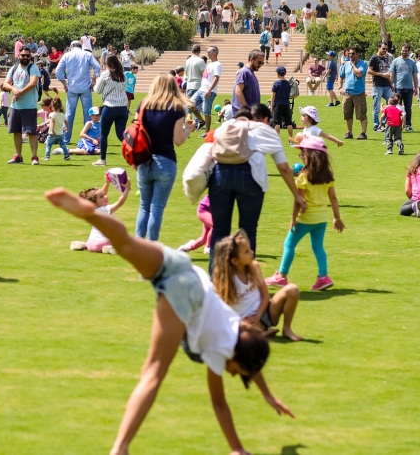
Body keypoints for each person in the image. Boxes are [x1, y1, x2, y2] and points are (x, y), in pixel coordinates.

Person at [44, 186, 292, 455]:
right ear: (237, 360)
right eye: (237, 372)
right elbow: (220, 403)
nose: (231, 374)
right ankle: (119, 448)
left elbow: (252, 354)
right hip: (185, 292)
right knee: (153, 374)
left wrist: (268, 395)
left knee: (125, 243)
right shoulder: (221, 351)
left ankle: (89, 214)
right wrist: (237, 449)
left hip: (182, 265)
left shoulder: (238, 328)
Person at [207, 104, 306, 266]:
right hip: (250, 178)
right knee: (247, 230)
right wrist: (296, 195)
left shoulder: (228, 125)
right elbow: (283, 168)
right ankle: (246, 282)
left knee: (219, 230)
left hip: (220, 175)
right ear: (266, 119)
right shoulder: (265, 130)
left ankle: (216, 280)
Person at [265, 136, 345, 291]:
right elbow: (333, 197)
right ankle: (323, 277)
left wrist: (293, 219)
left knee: (289, 244)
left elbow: (298, 200)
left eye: (302, 154)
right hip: (321, 219)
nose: (301, 157)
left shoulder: (304, 176)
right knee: (318, 246)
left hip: (306, 218)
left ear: (310, 155)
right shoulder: (327, 175)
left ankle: (281, 276)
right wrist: (337, 217)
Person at [213, 231, 302, 341]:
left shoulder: (254, 268)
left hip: (264, 314)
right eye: (246, 251)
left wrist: (257, 317)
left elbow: (265, 296)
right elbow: (221, 311)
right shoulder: (227, 280)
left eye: (250, 249)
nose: (251, 252)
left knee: (292, 289)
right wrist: (241, 323)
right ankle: (257, 333)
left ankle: (286, 329)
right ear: (235, 260)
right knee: (234, 332)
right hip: (241, 322)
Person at [134, 73, 192, 241]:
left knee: (144, 206)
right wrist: (189, 130)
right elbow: (178, 140)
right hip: (165, 160)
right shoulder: (176, 108)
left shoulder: (144, 104)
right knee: (157, 206)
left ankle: (138, 243)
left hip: (144, 159)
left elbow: (136, 131)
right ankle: (152, 245)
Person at [55, 40, 101, 147]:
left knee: (69, 114)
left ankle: (66, 138)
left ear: (71, 46)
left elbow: (58, 70)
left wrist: (63, 83)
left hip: (72, 87)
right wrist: (93, 80)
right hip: (86, 87)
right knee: (88, 114)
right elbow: (97, 67)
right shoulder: (87, 54)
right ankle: (90, 137)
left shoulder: (67, 55)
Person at [2, 46, 42, 165]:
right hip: (16, 106)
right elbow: (5, 84)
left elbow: (33, 83)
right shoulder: (14, 68)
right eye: (23, 55)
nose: (25, 58)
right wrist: (14, 89)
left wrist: (20, 92)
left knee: (31, 132)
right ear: (18, 56)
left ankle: (34, 157)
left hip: (29, 105)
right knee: (16, 131)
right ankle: (18, 156)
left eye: (27, 56)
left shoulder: (33, 68)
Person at [70, 177, 129, 254]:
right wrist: (127, 189)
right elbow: (120, 202)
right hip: (102, 243)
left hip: (90, 244)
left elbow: (100, 195)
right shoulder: (105, 209)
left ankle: (82, 245)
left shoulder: (92, 210)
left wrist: (107, 183)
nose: (106, 196)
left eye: (104, 195)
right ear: (94, 203)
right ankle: (109, 248)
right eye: (102, 197)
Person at [93, 54, 130, 166]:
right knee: (121, 134)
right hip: (123, 107)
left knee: (104, 134)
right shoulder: (123, 75)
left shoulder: (105, 74)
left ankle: (102, 160)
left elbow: (97, 90)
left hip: (110, 107)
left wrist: (97, 80)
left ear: (108, 64)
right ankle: (136, 150)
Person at [338, 45, 368, 140]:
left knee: (361, 114)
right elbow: (341, 76)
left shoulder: (363, 63)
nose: (351, 55)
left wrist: (353, 65)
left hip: (359, 93)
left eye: (353, 53)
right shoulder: (346, 65)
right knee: (347, 114)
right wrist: (340, 87)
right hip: (347, 93)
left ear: (358, 54)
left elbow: (359, 74)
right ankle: (349, 132)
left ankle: (363, 133)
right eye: (349, 53)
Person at [191, 46, 221, 131]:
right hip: (201, 89)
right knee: (190, 104)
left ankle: (207, 132)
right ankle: (201, 121)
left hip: (209, 91)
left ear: (215, 53)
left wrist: (209, 90)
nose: (207, 53)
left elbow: (216, 78)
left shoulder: (217, 65)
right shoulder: (209, 64)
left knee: (206, 112)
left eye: (209, 51)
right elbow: (205, 76)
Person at [389, 43, 416, 131]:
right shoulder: (396, 61)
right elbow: (392, 73)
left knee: (408, 107)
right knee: (397, 107)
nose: (404, 52)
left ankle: (408, 125)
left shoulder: (412, 62)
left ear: (408, 51)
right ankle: (397, 124)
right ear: (400, 50)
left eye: (406, 51)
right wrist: (392, 84)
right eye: (403, 50)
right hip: (399, 87)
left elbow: (414, 75)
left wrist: (415, 87)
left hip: (409, 88)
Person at [368, 42, 393, 132]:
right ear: (378, 48)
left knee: (392, 104)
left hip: (387, 85)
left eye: (386, 49)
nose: (385, 50)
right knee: (376, 107)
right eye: (383, 48)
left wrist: (391, 84)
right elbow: (369, 71)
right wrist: (381, 74)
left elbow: (389, 71)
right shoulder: (374, 58)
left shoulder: (387, 58)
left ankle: (383, 123)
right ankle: (376, 125)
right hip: (378, 85)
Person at [269, 66, 296, 137]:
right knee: (289, 123)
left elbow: (273, 96)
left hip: (278, 104)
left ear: (278, 74)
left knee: (277, 123)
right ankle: (291, 138)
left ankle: (276, 139)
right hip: (286, 104)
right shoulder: (287, 83)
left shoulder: (276, 84)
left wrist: (271, 107)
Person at [43, 97, 70, 161]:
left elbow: (52, 122)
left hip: (52, 133)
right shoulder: (62, 115)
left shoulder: (52, 114)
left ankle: (47, 156)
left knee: (48, 144)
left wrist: (52, 130)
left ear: (52, 106)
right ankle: (67, 155)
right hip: (60, 133)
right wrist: (67, 127)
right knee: (63, 145)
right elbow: (66, 122)